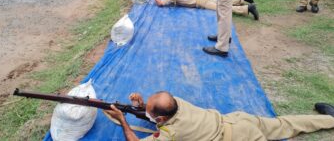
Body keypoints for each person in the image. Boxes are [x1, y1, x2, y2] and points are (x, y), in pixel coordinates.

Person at [105, 91, 334, 141]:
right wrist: (142, 105)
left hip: (240, 138)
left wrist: (124, 120)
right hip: (238, 119)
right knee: (286, 124)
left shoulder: (170, 134)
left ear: (161, 120)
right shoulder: (177, 102)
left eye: (147, 109)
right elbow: (159, 113)